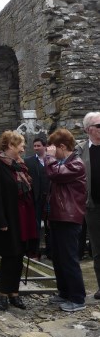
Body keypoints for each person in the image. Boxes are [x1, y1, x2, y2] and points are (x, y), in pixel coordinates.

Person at [0, 130, 37, 311]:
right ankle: (2, 294)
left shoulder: (18, 165)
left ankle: (14, 293)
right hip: (8, 218)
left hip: (23, 217)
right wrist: (1, 220)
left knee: (19, 255)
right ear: (10, 146)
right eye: (20, 145)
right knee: (10, 255)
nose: (23, 149)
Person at [44, 128, 87, 312]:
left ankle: (77, 298)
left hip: (69, 218)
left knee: (69, 259)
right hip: (58, 216)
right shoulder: (62, 163)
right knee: (58, 258)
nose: (52, 153)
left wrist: (48, 157)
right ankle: (64, 292)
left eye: (54, 149)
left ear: (62, 146)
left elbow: (55, 174)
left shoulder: (76, 164)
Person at [77, 112, 100, 298]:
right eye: (98, 126)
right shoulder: (80, 150)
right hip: (93, 207)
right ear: (88, 130)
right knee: (98, 249)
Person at [24, 137, 51, 260]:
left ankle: (51, 252)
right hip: (36, 198)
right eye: (34, 146)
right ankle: (34, 252)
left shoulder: (52, 159)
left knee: (50, 225)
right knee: (35, 225)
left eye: (38, 145)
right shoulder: (28, 161)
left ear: (45, 146)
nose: (36, 148)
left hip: (50, 198)